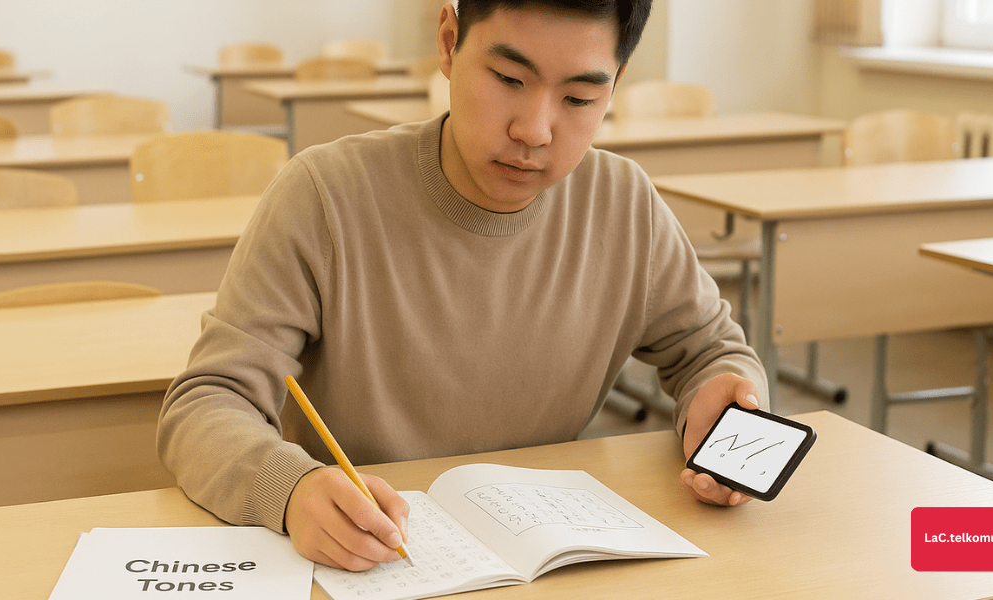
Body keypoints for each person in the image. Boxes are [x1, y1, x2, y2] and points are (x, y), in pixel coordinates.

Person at [158, 0, 767, 572]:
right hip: (368, 559)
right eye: (507, 79)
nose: (534, 130)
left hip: (544, 562)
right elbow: (208, 401)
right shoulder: (324, 194)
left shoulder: (624, 203)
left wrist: (725, 403)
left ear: (616, 82)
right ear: (449, 42)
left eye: (580, 98)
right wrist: (289, 489)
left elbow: (712, 350)